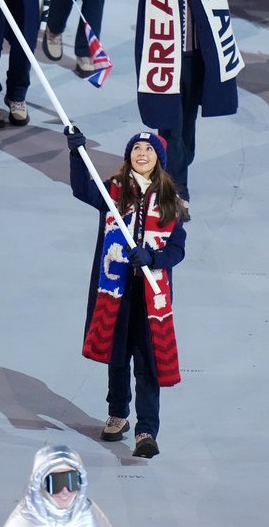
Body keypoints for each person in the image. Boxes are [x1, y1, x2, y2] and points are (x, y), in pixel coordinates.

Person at [113, 0, 256, 202]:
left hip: (196, 60)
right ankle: (176, 194)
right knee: (171, 127)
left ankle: (171, 172)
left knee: (186, 130)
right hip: (163, 62)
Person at [67, 127, 186, 460]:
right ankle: (118, 412)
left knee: (148, 362)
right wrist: (77, 156)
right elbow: (82, 190)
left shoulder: (169, 202)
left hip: (151, 296)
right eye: (136, 148)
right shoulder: (114, 192)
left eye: (148, 149)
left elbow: (177, 249)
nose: (142, 153)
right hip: (115, 290)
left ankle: (146, 429)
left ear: (158, 160)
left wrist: (154, 257)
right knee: (117, 355)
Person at [4, 444, 112, 526]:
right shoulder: (23, 521)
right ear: (40, 485)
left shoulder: (90, 516)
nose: (65, 491)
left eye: (71, 481)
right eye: (56, 483)